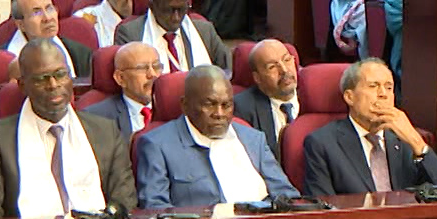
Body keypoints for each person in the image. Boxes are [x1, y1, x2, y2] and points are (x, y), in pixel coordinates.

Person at [0, 39, 138, 219]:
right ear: (23, 86)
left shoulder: (104, 132)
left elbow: (125, 205)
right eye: (41, 79)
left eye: (60, 74)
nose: (53, 85)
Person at [137, 65, 296, 208]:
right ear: (185, 105)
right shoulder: (157, 145)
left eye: (226, 105)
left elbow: (287, 195)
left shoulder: (253, 139)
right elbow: (155, 209)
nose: (219, 114)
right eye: (209, 104)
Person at [301, 59, 437, 195]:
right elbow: (322, 210)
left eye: (389, 88)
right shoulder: (322, 144)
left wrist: (417, 143)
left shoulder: (405, 139)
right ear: (349, 97)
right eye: (373, 86)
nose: (383, 94)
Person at [117, 0, 233, 73]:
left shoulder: (204, 30)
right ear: (152, 6)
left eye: (182, 9)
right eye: (169, 10)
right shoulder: (130, 34)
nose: (176, 17)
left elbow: (227, 71)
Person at [231, 39, 300, 160]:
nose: (284, 70)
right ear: (257, 78)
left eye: (287, 60)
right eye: (272, 67)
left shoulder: (317, 99)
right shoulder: (242, 108)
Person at [5, 0, 95, 74]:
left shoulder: (81, 54)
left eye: (49, 8)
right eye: (36, 12)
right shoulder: (5, 60)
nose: (47, 18)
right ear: (21, 24)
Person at [85, 41, 161, 141]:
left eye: (156, 67)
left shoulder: (174, 108)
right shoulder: (96, 118)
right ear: (120, 78)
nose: (152, 74)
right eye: (142, 68)